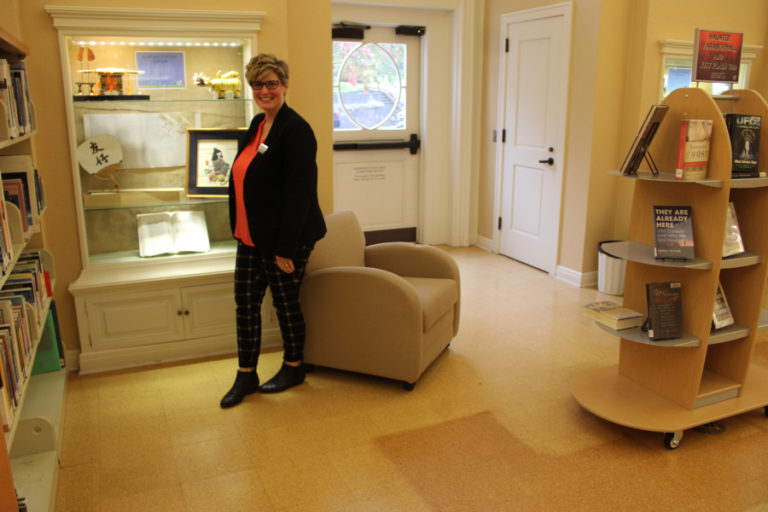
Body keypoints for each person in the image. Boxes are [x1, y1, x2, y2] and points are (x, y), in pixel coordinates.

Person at [220, 54, 326, 408]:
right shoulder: (257, 124)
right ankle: (246, 374)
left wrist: (285, 250)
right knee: (245, 305)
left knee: (284, 304)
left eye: (272, 83)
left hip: (284, 240)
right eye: (258, 84)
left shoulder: (296, 130)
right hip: (250, 236)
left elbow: (300, 195)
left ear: (284, 85)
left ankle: (294, 366)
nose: (265, 90)